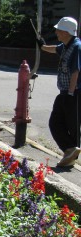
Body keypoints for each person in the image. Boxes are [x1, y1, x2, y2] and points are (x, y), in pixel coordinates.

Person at [38, 17, 81, 167]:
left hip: (74, 93)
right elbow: (54, 49)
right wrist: (42, 46)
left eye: (59, 30)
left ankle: (70, 157)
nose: (56, 32)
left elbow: (76, 71)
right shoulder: (66, 45)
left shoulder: (76, 47)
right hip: (65, 92)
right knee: (55, 122)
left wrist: (70, 93)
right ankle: (70, 151)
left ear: (67, 32)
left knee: (72, 126)